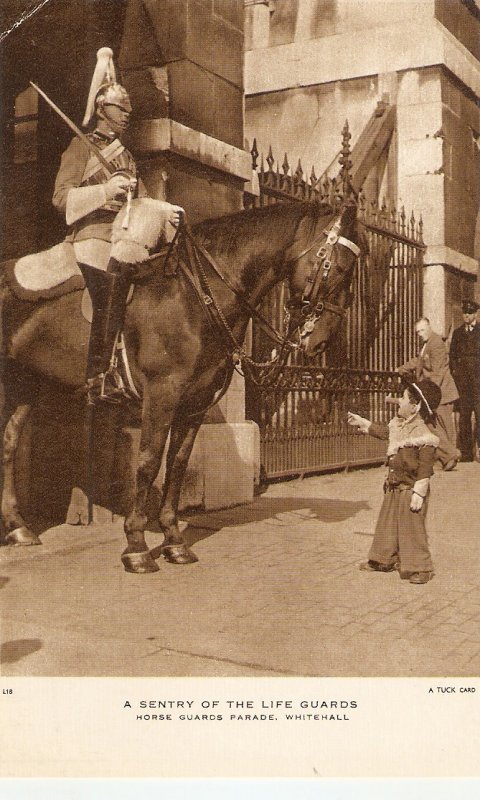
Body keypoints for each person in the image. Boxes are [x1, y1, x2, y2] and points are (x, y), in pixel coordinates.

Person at [52, 47, 183, 402]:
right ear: (101, 110)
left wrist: (164, 208)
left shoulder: (126, 155)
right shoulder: (79, 148)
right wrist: (104, 190)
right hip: (91, 237)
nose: (127, 115)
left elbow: (139, 200)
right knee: (109, 290)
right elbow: (61, 198)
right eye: (120, 109)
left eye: (128, 110)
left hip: (122, 237)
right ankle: (99, 373)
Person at [347, 379, 441, 585]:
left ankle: (420, 567)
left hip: (410, 489)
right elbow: (384, 433)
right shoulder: (399, 426)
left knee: (412, 528)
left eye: (404, 398)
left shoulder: (424, 435)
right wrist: (364, 422)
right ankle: (383, 559)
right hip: (394, 485)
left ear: (415, 407)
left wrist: (419, 492)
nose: (399, 401)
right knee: (387, 524)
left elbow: (425, 467)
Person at [397, 317, 459, 471]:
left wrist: (428, 395)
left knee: (443, 427)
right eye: (418, 331)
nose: (420, 334)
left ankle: (450, 456)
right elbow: (419, 361)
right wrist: (402, 368)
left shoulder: (436, 343)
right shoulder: (427, 343)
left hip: (441, 393)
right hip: (436, 393)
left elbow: (437, 373)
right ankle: (449, 457)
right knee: (434, 426)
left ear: (429, 327)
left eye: (422, 330)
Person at [449, 299, 480, 462]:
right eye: (464, 313)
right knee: (464, 417)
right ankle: (467, 453)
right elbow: (452, 356)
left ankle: (479, 450)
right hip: (464, 383)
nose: (466, 316)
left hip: (479, 382)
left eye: (469, 313)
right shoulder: (458, 333)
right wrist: (456, 373)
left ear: (475, 313)